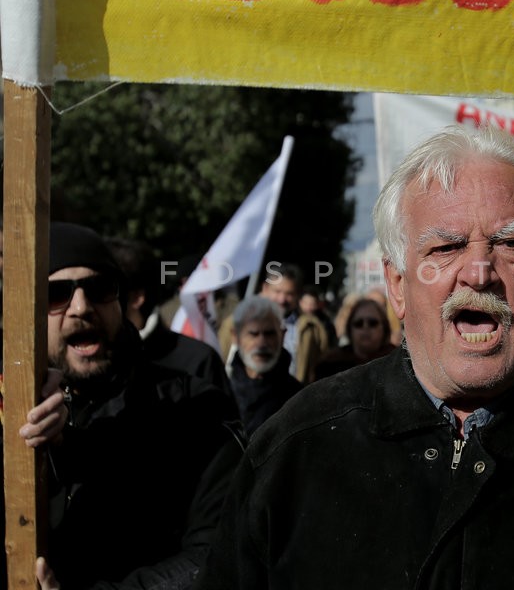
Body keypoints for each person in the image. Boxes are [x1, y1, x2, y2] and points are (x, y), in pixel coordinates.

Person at [195, 125, 514, 589]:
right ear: (397, 286)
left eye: (512, 245)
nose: (479, 271)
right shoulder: (296, 450)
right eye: (445, 248)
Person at [10, 222, 242, 590]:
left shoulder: (194, 409)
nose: (81, 307)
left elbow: (216, 554)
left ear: (120, 300)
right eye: (56, 294)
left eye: (100, 288)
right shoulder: (13, 410)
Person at [105, 236, 236, 403]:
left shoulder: (198, 361)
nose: (82, 305)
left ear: (136, 297)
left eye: (103, 289)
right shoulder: (83, 359)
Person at [227, 296, 304, 436]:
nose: (262, 343)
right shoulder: (223, 393)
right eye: (253, 334)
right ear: (235, 337)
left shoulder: (299, 398)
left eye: (269, 334)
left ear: (282, 335)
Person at [313, 297, 396, 380]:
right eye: (358, 323)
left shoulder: (397, 363)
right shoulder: (329, 366)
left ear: (384, 327)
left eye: (372, 323)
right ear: (350, 329)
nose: (365, 327)